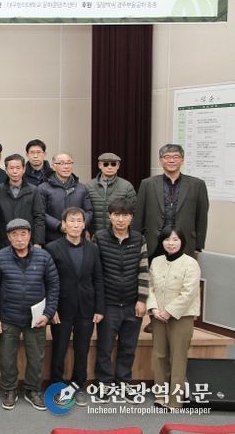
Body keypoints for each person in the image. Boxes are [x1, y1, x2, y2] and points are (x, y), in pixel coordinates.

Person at [0, 219, 59, 411]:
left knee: (36, 358)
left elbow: (54, 287)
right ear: (8, 237)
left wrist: (48, 313)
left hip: (36, 319)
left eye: (23, 234)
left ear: (30, 235)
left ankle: (32, 390)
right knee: (7, 358)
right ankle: (9, 389)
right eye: (14, 234)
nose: (19, 239)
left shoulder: (44, 257)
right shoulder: (0, 257)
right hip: (8, 317)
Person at [45, 207, 105, 406]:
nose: (76, 225)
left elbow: (98, 279)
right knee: (59, 349)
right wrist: (51, 309)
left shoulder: (93, 248)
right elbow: (48, 281)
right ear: (64, 224)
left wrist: (99, 308)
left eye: (79, 221)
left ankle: (78, 385)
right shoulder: (52, 248)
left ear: (84, 224)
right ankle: (56, 385)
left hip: (86, 307)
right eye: (71, 221)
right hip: (61, 307)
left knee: (82, 350)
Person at [93, 199, 149, 402]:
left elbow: (144, 270)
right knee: (105, 348)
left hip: (132, 303)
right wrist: (98, 305)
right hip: (108, 304)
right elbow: (96, 273)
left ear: (131, 217)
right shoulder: (99, 238)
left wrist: (142, 299)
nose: (120, 219)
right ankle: (105, 384)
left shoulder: (139, 239)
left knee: (128, 348)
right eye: (116, 215)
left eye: (125, 215)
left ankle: (124, 384)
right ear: (110, 216)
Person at [147, 227, 201, 410]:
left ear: (182, 242)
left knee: (178, 358)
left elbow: (189, 292)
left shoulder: (191, 263)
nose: (171, 243)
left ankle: (175, 400)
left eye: (175, 239)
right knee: (159, 356)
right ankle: (160, 396)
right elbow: (150, 287)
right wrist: (154, 308)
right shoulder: (156, 261)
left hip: (181, 317)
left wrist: (169, 311)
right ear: (162, 242)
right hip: (158, 316)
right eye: (167, 239)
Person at [134, 144, 209, 257]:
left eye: (176, 157)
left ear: (182, 160)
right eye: (167, 157)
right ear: (160, 161)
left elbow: (202, 216)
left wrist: (199, 245)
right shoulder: (147, 184)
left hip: (185, 242)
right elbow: (139, 216)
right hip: (154, 242)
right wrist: (136, 242)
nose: (172, 160)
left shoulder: (197, 185)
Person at [0, 153, 46, 248]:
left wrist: (38, 242)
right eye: (11, 168)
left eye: (18, 168)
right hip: (4, 242)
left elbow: (39, 218)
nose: (15, 171)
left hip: (28, 242)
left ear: (24, 169)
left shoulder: (33, 190)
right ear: (6, 170)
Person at [38, 152, 93, 243]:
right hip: (53, 237)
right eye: (62, 163)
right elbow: (41, 213)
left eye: (69, 163)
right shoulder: (43, 188)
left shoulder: (82, 188)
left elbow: (89, 211)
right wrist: (59, 225)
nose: (66, 166)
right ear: (53, 166)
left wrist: (80, 225)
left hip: (77, 237)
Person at [86, 152, 136, 235]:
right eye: (106, 164)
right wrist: (85, 230)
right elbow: (85, 212)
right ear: (99, 165)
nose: (109, 167)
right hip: (94, 234)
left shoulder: (127, 186)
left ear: (118, 166)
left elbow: (133, 212)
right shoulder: (89, 186)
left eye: (113, 164)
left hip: (119, 234)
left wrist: (128, 233)